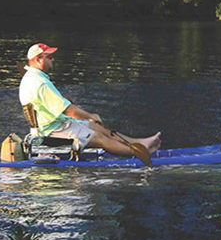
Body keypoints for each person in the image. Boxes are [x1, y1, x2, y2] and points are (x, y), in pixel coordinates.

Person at [19, 42, 161, 165]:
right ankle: (139, 153)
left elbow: (50, 104)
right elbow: (68, 110)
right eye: (49, 57)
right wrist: (89, 115)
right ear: (38, 59)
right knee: (98, 137)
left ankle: (140, 143)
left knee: (98, 128)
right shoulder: (40, 83)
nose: (53, 60)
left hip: (55, 126)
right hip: (52, 132)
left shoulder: (32, 78)